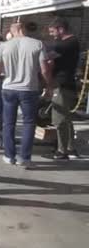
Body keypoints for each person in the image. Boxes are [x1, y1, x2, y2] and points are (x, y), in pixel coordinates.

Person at [0, 22, 52, 168]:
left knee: (8, 123)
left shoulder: (3, 46)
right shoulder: (37, 44)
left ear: (12, 31)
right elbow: (44, 70)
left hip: (8, 88)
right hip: (29, 89)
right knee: (28, 123)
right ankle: (25, 158)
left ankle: (9, 156)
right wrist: (49, 85)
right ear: (23, 29)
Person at [46, 19, 81, 160]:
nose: (52, 35)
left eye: (53, 31)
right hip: (66, 83)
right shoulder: (71, 43)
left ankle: (62, 151)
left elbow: (47, 58)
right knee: (66, 118)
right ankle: (70, 148)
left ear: (61, 29)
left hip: (62, 84)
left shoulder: (66, 44)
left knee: (59, 119)